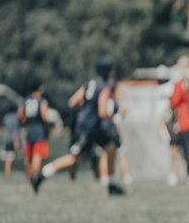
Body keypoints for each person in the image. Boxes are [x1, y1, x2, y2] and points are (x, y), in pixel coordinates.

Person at [33, 56, 126, 195]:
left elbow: (73, 101)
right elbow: (102, 111)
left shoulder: (90, 83)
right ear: (108, 71)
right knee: (74, 157)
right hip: (89, 128)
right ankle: (42, 174)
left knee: (111, 148)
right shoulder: (105, 87)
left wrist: (87, 108)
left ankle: (112, 185)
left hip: (91, 126)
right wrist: (114, 114)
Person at [17, 82, 51, 180]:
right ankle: (35, 177)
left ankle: (28, 177)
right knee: (37, 154)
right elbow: (44, 116)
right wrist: (48, 125)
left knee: (28, 155)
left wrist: (25, 120)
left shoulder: (26, 100)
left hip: (29, 129)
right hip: (39, 130)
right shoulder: (42, 101)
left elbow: (19, 114)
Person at [1, 107, 21, 178]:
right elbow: (15, 130)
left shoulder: (6, 117)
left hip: (6, 137)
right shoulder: (15, 118)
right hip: (13, 138)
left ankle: (7, 171)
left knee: (8, 154)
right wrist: (16, 141)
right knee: (11, 155)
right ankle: (7, 171)